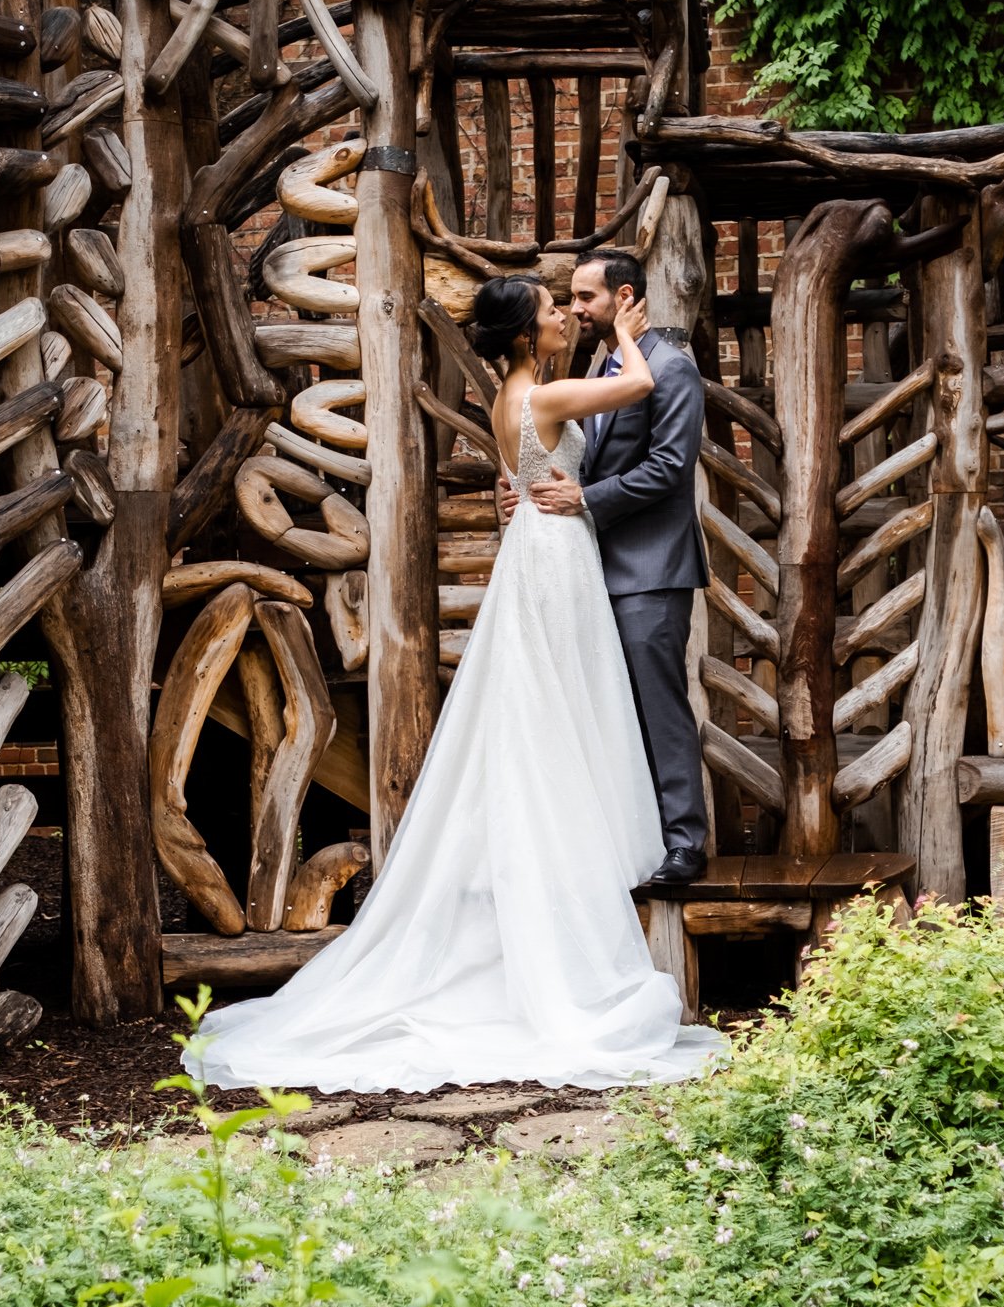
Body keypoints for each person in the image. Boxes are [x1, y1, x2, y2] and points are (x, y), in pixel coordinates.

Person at [199, 272, 725, 1094]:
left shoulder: (528, 391)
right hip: (555, 561)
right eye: (556, 311)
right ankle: (563, 867)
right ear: (524, 336)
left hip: (552, 552)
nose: (566, 316)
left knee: (555, 706)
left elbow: (551, 454)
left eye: (574, 302)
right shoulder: (545, 394)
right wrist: (626, 328)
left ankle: (581, 852)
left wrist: (521, 485)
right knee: (556, 707)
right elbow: (638, 383)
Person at [501, 249, 710, 886]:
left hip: (651, 570)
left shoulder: (672, 371)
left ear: (622, 298)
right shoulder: (601, 366)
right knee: (610, 711)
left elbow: (670, 470)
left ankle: (685, 845)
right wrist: (527, 484)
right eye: (567, 300)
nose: (573, 309)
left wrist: (584, 498)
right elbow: (576, 454)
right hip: (591, 568)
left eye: (585, 297)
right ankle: (633, 842)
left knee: (658, 703)